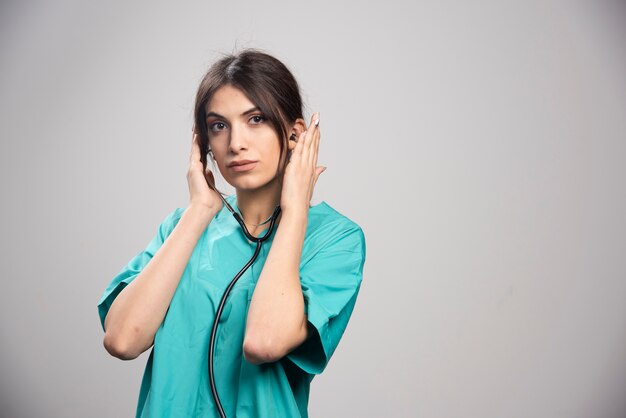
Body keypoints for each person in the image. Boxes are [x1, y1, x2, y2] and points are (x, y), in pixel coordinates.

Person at [97, 49, 366, 418]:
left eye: (255, 119)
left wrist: (294, 213)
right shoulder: (181, 227)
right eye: (218, 125)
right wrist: (200, 212)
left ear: (294, 134)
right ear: (204, 143)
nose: (235, 143)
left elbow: (263, 342)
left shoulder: (336, 239)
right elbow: (123, 340)